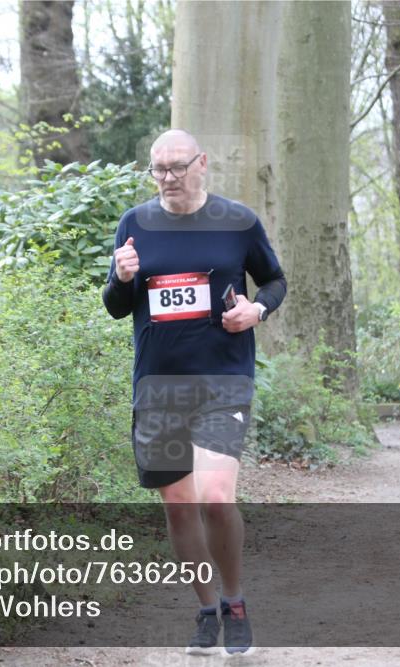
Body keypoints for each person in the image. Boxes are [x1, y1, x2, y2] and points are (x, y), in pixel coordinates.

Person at [102, 130, 287, 656]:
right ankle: (207, 611)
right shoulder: (134, 224)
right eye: (158, 169)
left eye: (177, 167)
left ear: (202, 163)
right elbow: (116, 306)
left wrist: (257, 310)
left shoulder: (238, 221)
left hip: (223, 382)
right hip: (158, 386)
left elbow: (274, 281)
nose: (168, 178)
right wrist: (121, 277)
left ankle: (235, 602)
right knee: (180, 507)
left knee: (215, 497)